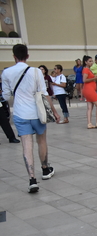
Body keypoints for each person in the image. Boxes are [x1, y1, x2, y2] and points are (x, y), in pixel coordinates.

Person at [2, 44, 55, 192]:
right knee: (41, 140)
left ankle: (32, 179)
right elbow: (43, 93)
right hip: (37, 113)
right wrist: (54, 112)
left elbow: (5, 96)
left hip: (20, 113)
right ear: (27, 56)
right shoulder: (36, 71)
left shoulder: (6, 73)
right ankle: (45, 169)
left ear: (14, 56)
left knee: (26, 145)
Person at [82, 55, 97, 129]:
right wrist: (94, 78)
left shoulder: (88, 69)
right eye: (89, 61)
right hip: (90, 90)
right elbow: (84, 80)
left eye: (91, 61)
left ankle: (89, 123)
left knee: (90, 107)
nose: (91, 62)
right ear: (85, 62)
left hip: (88, 90)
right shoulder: (86, 69)